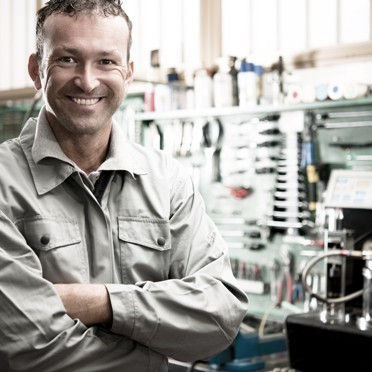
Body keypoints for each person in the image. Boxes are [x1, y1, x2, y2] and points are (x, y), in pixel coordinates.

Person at [0, 0, 248, 371]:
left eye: (106, 61)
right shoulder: (5, 182)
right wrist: (153, 353)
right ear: (37, 70)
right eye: (67, 59)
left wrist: (97, 302)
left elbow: (221, 314)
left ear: (128, 72)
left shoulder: (167, 180)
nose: (87, 80)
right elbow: (27, 346)